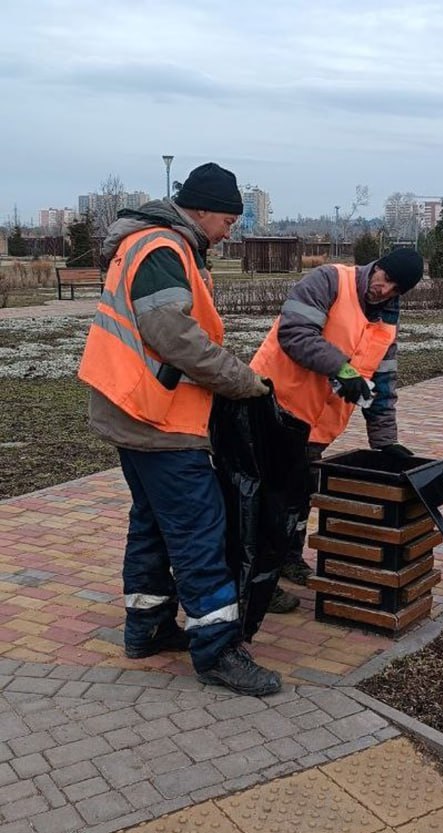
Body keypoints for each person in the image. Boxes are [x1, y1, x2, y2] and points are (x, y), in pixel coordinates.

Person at [78, 162, 282, 697]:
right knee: (199, 530)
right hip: (157, 417)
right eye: (230, 219)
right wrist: (242, 381)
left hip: (133, 409)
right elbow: (175, 337)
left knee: (151, 522)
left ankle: (146, 626)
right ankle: (217, 651)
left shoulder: (160, 246)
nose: (231, 229)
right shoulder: (163, 249)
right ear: (203, 209)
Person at [251, 246, 424, 598]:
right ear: (377, 267)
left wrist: (384, 442)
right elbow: (295, 333)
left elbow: (382, 382)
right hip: (273, 408)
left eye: (396, 289)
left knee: (300, 493)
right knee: (267, 495)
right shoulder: (330, 280)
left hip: (317, 425)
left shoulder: (387, 318)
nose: (385, 290)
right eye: (386, 279)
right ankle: (255, 580)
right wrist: (342, 369)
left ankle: (287, 557)